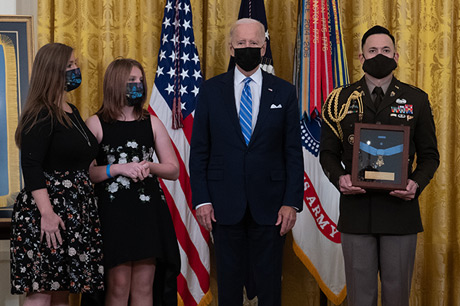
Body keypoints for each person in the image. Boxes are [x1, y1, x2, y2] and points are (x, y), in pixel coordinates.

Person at [320, 25, 440, 306]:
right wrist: (340, 178)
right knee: (360, 299)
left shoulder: (416, 99)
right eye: (372, 50)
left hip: (400, 213)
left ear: (396, 56)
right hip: (357, 212)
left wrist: (416, 183)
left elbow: (430, 155)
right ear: (361, 58)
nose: (379, 55)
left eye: (386, 50)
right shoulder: (340, 99)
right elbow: (327, 153)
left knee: (397, 298)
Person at [190, 18, 304, 306]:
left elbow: (292, 152)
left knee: (269, 287)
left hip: (271, 206)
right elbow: (200, 151)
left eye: (254, 43)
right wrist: (202, 200)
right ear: (231, 48)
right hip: (223, 205)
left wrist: (292, 202)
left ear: (264, 47)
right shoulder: (211, 90)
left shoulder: (285, 92)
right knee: (228, 287)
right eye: (241, 43)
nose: (247, 47)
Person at [10, 43, 104, 305]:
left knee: (63, 290)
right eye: (69, 66)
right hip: (48, 212)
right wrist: (47, 214)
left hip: (75, 210)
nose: (76, 70)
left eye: (75, 64)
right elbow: (31, 166)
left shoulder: (71, 111)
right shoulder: (41, 112)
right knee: (42, 289)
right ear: (52, 72)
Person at [85, 58, 180, 306]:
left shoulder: (152, 122)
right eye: (131, 81)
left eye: (140, 80)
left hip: (148, 213)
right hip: (113, 214)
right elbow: (86, 174)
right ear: (115, 84)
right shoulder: (96, 123)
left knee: (144, 286)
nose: (138, 85)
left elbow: (173, 169)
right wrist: (118, 168)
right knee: (118, 286)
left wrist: (149, 166)